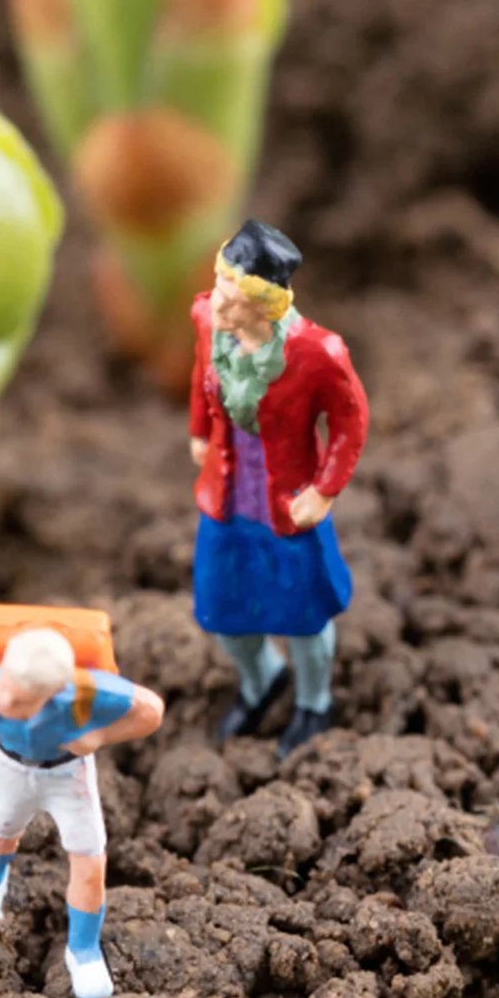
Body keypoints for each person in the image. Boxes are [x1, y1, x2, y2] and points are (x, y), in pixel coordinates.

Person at [188, 219, 369, 757]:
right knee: (223, 610)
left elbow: (350, 423)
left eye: (233, 300)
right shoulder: (206, 320)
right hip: (226, 492)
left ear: (265, 306)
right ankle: (260, 679)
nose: (218, 307)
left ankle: (315, 700)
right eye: (218, 290)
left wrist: (324, 489)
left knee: (303, 616)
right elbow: (200, 377)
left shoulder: (318, 353)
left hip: (286, 502)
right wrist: (200, 429)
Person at [0, 626, 164, 998]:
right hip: (10, 767)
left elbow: (150, 710)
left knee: (89, 859)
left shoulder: (87, 694)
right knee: (0, 828)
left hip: (68, 775)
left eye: (18, 700)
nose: (3, 700)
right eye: (5, 686)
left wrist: (100, 738)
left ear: (52, 693)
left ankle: (83, 950)